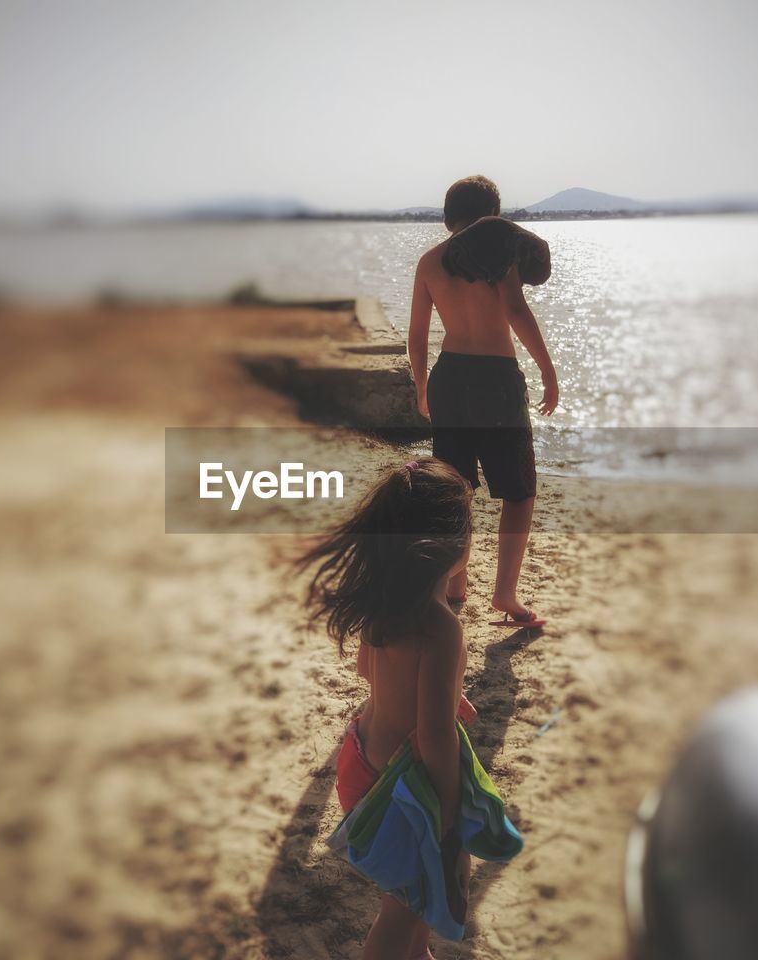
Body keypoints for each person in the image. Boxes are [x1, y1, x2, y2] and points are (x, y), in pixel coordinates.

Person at [299, 458, 521, 959]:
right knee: (403, 915)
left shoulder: (387, 603)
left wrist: (432, 690)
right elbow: (436, 735)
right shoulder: (440, 627)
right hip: (406, 787)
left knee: (413, 898)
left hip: (360, 762)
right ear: (454, 544)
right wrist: (446, 816)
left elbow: (366, 670)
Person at [407, 175, 558, 628]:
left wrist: (420, 387)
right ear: (492, 212)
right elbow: (514, 309)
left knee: (457, 488)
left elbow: (416, 337)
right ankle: (505, 594)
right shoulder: (499, 250)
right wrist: (548, 372)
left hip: (449, 378)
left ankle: (455, 582)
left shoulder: (429, 261)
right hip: (495, 380)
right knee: (519, 491)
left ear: (449, 216)